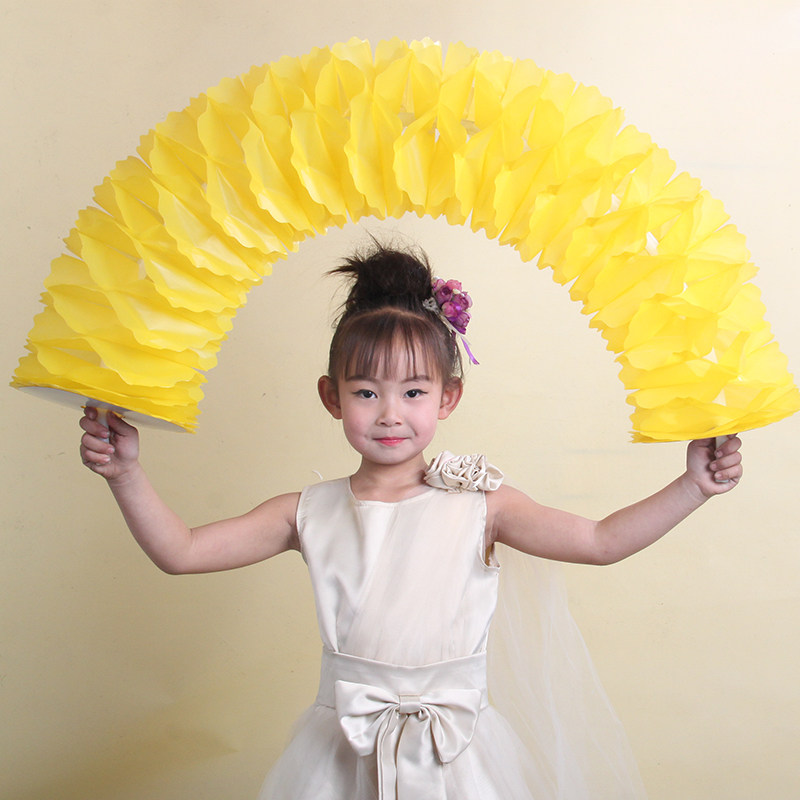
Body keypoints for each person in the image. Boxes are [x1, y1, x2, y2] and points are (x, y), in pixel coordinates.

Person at [79, 242, 743, 800]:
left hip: (459, 758)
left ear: (448, 397)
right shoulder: (306, 511)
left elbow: (599, 542)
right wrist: (125, 474)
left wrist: (693, 486)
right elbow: (182, 552)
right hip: (340, 756)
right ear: (331, 397)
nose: (390, 413)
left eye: (414, 391)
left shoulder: (482, 504)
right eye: (366, 392)